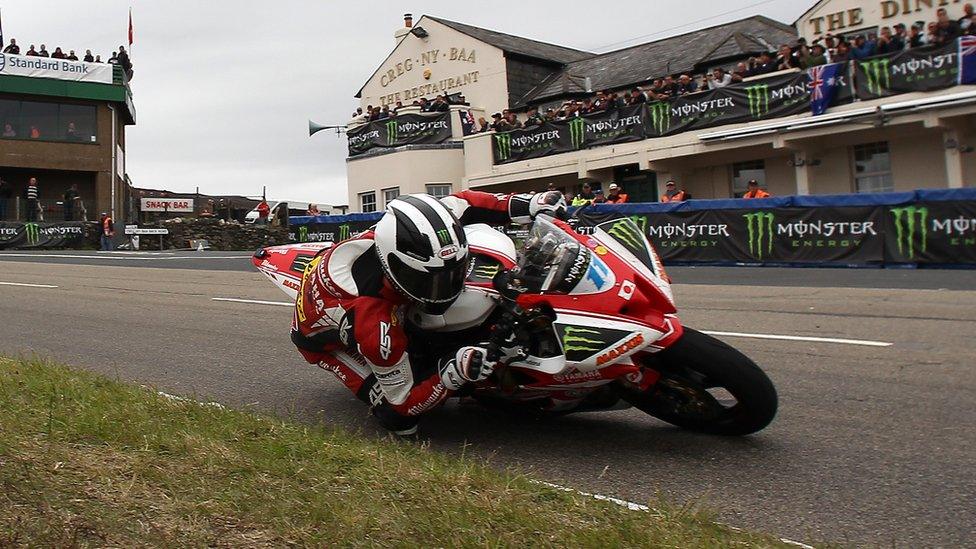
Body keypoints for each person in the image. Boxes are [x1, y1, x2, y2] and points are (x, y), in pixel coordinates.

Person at [291, 190, 566, 435]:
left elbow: (465, 202)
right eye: (431, 281)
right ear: (396, 269)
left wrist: (528, 203)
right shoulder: (373, 323)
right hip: (325, 340)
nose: (448, 288)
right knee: (398, 421)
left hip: (356, 275)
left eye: (455, 273)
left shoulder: (414, 228)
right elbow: (403, 404)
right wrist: (453, 372)